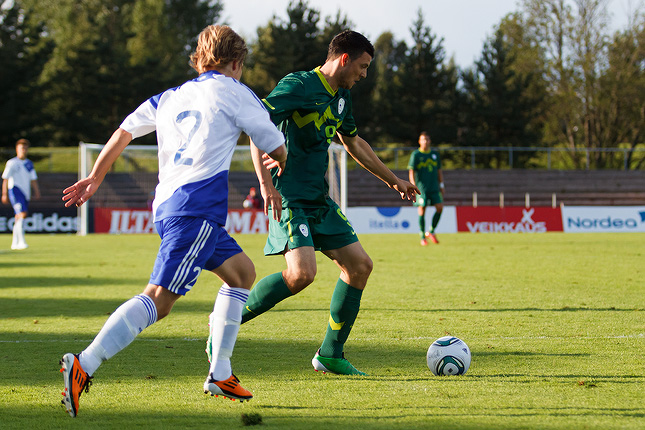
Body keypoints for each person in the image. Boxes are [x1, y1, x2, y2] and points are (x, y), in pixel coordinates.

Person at [58, 25, 287, 418]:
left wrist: (96, 176)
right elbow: (274, 143)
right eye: (242, 66)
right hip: (195, 210)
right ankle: (84, 364)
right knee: (159, 300)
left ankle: (220, 372)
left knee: (242, 273)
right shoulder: (236, 91)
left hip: (170, 205)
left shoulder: (171, 96)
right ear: (236, 62)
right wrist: (282, 162)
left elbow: (124, 132)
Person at [240, 30, 419, 376]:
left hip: (319, 199)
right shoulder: (299, 85)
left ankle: (330, 354)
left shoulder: (341, 98)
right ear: (345, 59)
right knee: (302, 274)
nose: (364, 75)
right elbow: (255, 123)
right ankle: (226, 321)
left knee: (360, 266)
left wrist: (393, 180)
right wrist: (266, 186)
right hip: (290, 197)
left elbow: (354, 143)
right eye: (363, 67)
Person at [2, 138, 40, 250]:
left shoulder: (29, 163)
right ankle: (22, 241)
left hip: (25, 192)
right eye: (22, 148)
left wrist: (36, 191)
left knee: (18, 216)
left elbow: (33, 179)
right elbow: (5, 178)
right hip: (15, 190)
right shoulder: (12, 163)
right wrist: (4, 194)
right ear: (17, 149)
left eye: (25, 148)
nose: (24, 150)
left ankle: (14, 242)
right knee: (23, 214)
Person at [407, 131, 444, 245]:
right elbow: (411, 171)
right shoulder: (416, 155)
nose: (426, 142)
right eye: (423, 139)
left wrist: (441, 184)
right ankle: (422, 236)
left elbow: (439, 171)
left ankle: (431, 231)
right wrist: (413, 185)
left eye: (427, 139)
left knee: (439, 207)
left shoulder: (434, 155)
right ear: (419, 141)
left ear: (430, 141)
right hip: (421, 188)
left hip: (434, 187)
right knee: (422, 209)